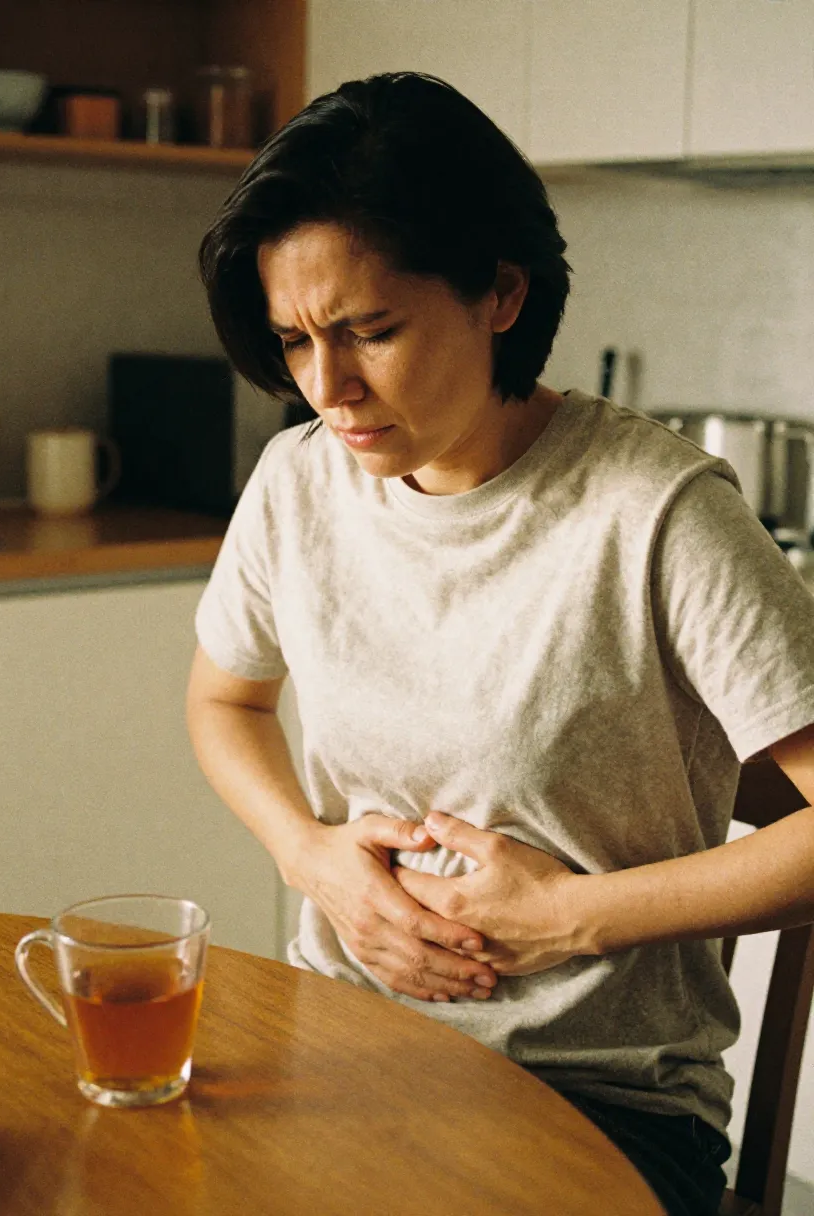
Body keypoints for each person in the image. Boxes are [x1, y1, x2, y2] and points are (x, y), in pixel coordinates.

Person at [187, 72, 814, 1216]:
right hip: (340, 1050)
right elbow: (223, 703)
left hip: (599, 1098)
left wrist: (567, 916)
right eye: (294, 342)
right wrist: (306, 854)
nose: (327, 389)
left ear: (500, 293)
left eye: (370, 331)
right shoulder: (298, 484)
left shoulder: (654, 509)